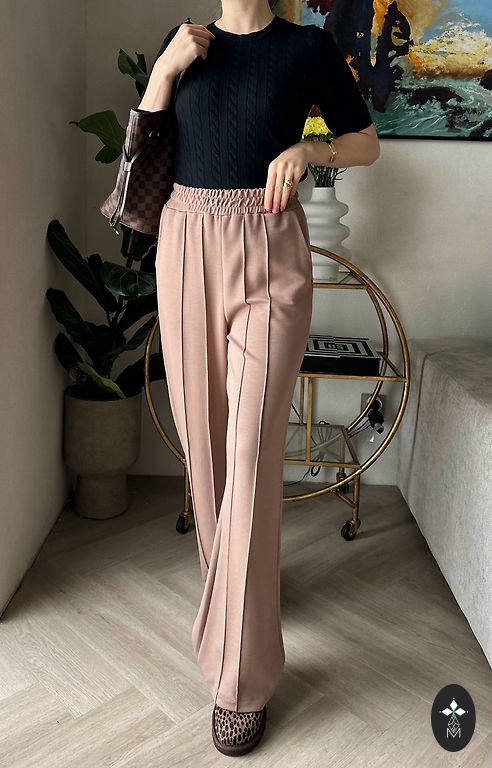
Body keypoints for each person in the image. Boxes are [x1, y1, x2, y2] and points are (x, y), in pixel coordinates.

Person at [137, 0, 380, 756]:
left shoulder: (306, 47)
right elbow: (147, 149)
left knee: (248, 454)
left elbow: (366, 143)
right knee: (207, 452)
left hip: (270, 250)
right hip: (185, 242)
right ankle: (242, 596)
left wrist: (310, 149)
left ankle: (239, 682)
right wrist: (164, 71)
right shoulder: (183, 43)